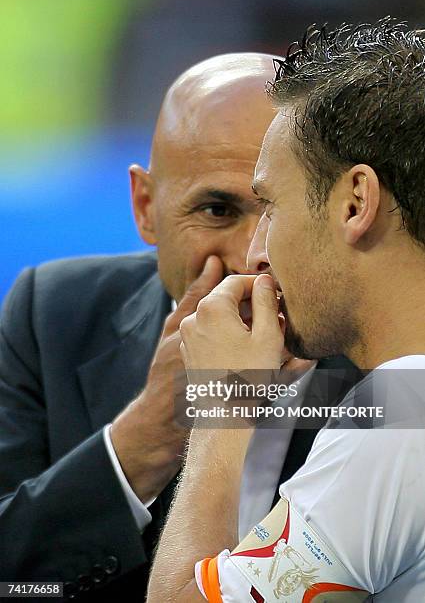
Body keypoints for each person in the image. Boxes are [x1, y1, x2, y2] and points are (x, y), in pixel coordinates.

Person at [148, 19, 425, 602]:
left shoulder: (403, 412)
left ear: (356, 202)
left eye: (271, 206)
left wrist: (222, 407)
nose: (255, 253)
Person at [0, 53, 278, 599]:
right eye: (218, 210)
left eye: (279, 210)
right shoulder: (53, 313)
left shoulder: (388, 348)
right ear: (146, 206)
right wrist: (148, 434)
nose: (253, 256)